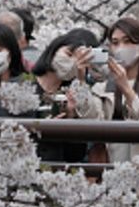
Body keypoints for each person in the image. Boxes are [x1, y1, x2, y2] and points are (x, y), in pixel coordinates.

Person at [69, 17, 139, 167]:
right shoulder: (103, 87)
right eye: (115, 42)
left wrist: (127, 90)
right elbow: (91, 119)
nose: (121, 48)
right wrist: (80, 78)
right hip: (116, 169)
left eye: (128, 41)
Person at [28, 29, 96, 163]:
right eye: (69, 54)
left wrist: (70, 120)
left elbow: (76, 155)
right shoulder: (24, 86)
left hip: (57, 169)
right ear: (53, 50)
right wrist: (43, 130)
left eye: (78, 60)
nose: (72, 62)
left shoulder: (71, 94)